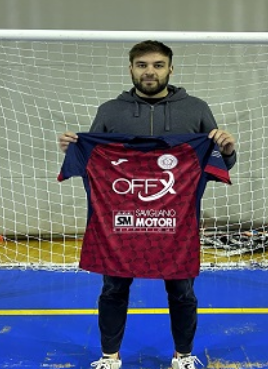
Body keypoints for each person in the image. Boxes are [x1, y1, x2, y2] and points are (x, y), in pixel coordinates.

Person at [58, 40, 236, 369]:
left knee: (182, 291)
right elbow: (92, 163)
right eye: (142, 65)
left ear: (171, 69)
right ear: (131, 69)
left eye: (157, 65)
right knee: (113, 288)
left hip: (176, 222)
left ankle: (183, 356)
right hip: (121, 221)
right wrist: (75, 148)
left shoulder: (196, 109)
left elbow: (218, 163)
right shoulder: (110, 111)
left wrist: (226, 150)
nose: (149, 71)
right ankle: (109, 356)